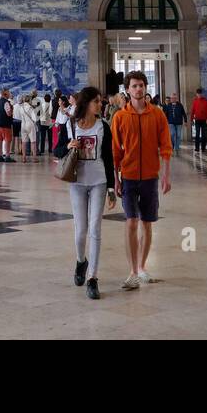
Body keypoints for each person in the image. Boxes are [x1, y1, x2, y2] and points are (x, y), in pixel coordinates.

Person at [110, 71, 173, 291]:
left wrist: (166, 175)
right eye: (134, 86)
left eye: (141, 85)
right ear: (127, 90)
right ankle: (133, 272)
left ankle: (142, 266)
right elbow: (115, 151)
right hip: (127, 176)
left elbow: (165, 146)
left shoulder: (157, 115)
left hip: (149, 177)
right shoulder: (119, 117)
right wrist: (115, 179)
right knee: (131, 221)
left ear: (146, 88)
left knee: (147, 222)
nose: (138, 89)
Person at [61, 86, 116, 300]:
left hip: (99, 182)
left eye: (101, 102)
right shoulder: (71, 124)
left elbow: (109, 158)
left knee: (95, 228)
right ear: (86, 103)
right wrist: (68, 145)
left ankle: (93, 278)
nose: (100, 105)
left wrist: (112, 188)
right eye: (97, 102)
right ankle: (80, 260)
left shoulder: (103, 126)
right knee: (81, 230)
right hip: (77, 182)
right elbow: (57, 151)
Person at [0, 90, 14, 161]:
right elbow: (8, 113)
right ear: (5, 95)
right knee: (7, 140)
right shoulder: (6, 102)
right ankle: (7, 156)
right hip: (5, 124)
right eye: (9, 93)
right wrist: (12, 110)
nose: (9, 95)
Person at [19, 93, 39, 161]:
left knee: (24, 142)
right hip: (30, 125)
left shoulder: (21, 107)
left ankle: (24, 157)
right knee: (33, 142)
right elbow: (35, 118)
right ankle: (34, 158)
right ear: (29, 100)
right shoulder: (30, 108)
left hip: (23, 125)